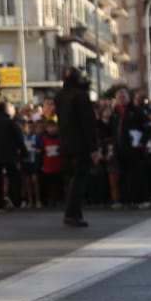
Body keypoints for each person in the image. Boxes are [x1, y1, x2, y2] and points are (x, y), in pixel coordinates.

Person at [55, 66, 96, 227]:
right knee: (79, 180)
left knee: (70, 179)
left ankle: (73, 212)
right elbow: (88, 123)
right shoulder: (80, 96)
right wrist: (93, 147)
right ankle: (72, 214)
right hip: (80, 144)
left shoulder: (60, 96)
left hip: (65, 143)